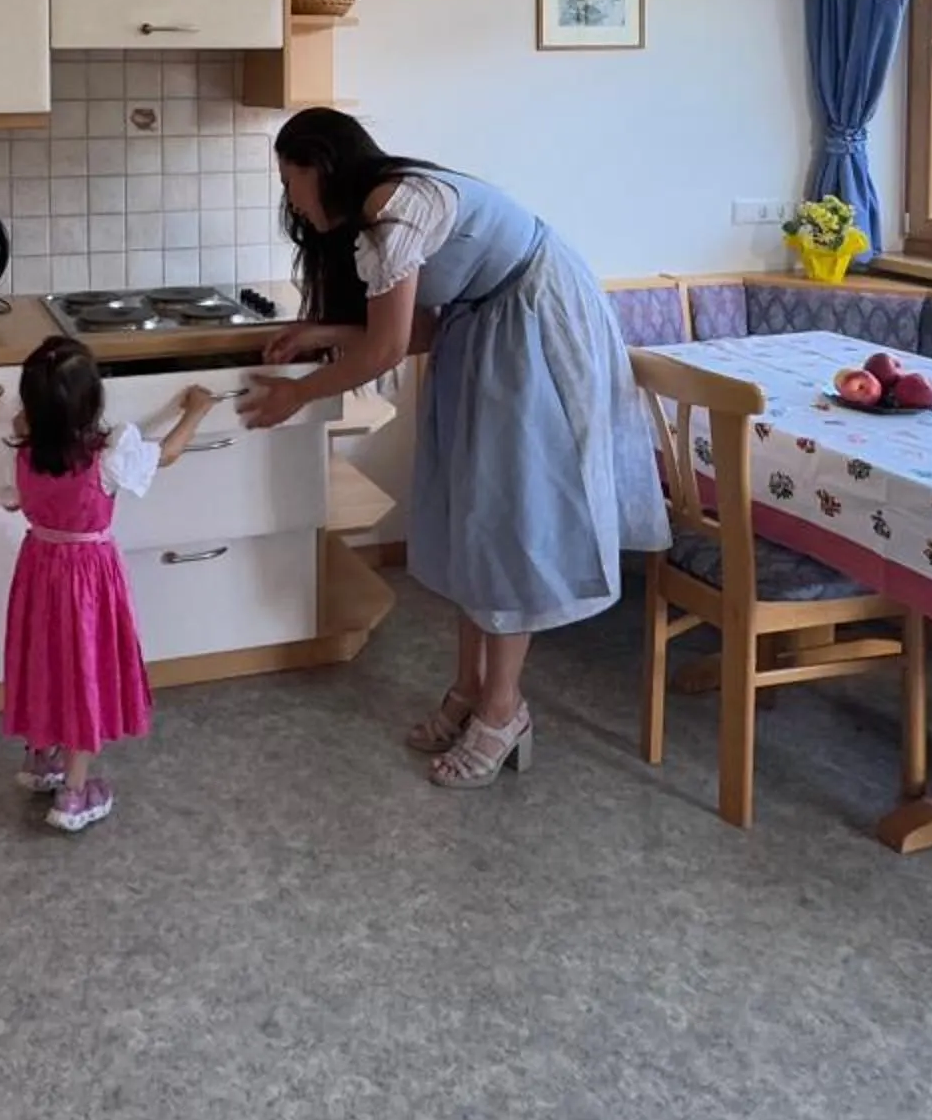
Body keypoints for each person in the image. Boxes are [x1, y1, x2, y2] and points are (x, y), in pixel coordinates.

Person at [235, 110, 664, 787]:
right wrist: (323, 334)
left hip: (532, 327)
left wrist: (299, 392)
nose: (291, 200)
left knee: (505, 521)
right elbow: (418, 330)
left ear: (321, 167)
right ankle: (468, 689)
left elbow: (385, 347)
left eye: (292, 183)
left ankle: (503, 709)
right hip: (483, 330)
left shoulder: (396, 211)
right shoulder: (383, 219)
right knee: (471, 512)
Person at [0, 335, 217, 833]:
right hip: (88, 580)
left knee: (45, 663)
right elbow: (165, 454)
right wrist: (197, 410)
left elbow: (24, 432)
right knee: (84, 674)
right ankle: (75, 793)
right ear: (93, 401)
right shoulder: (108, 456)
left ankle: (41, 760)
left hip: (38, 567)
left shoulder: (25, 443)